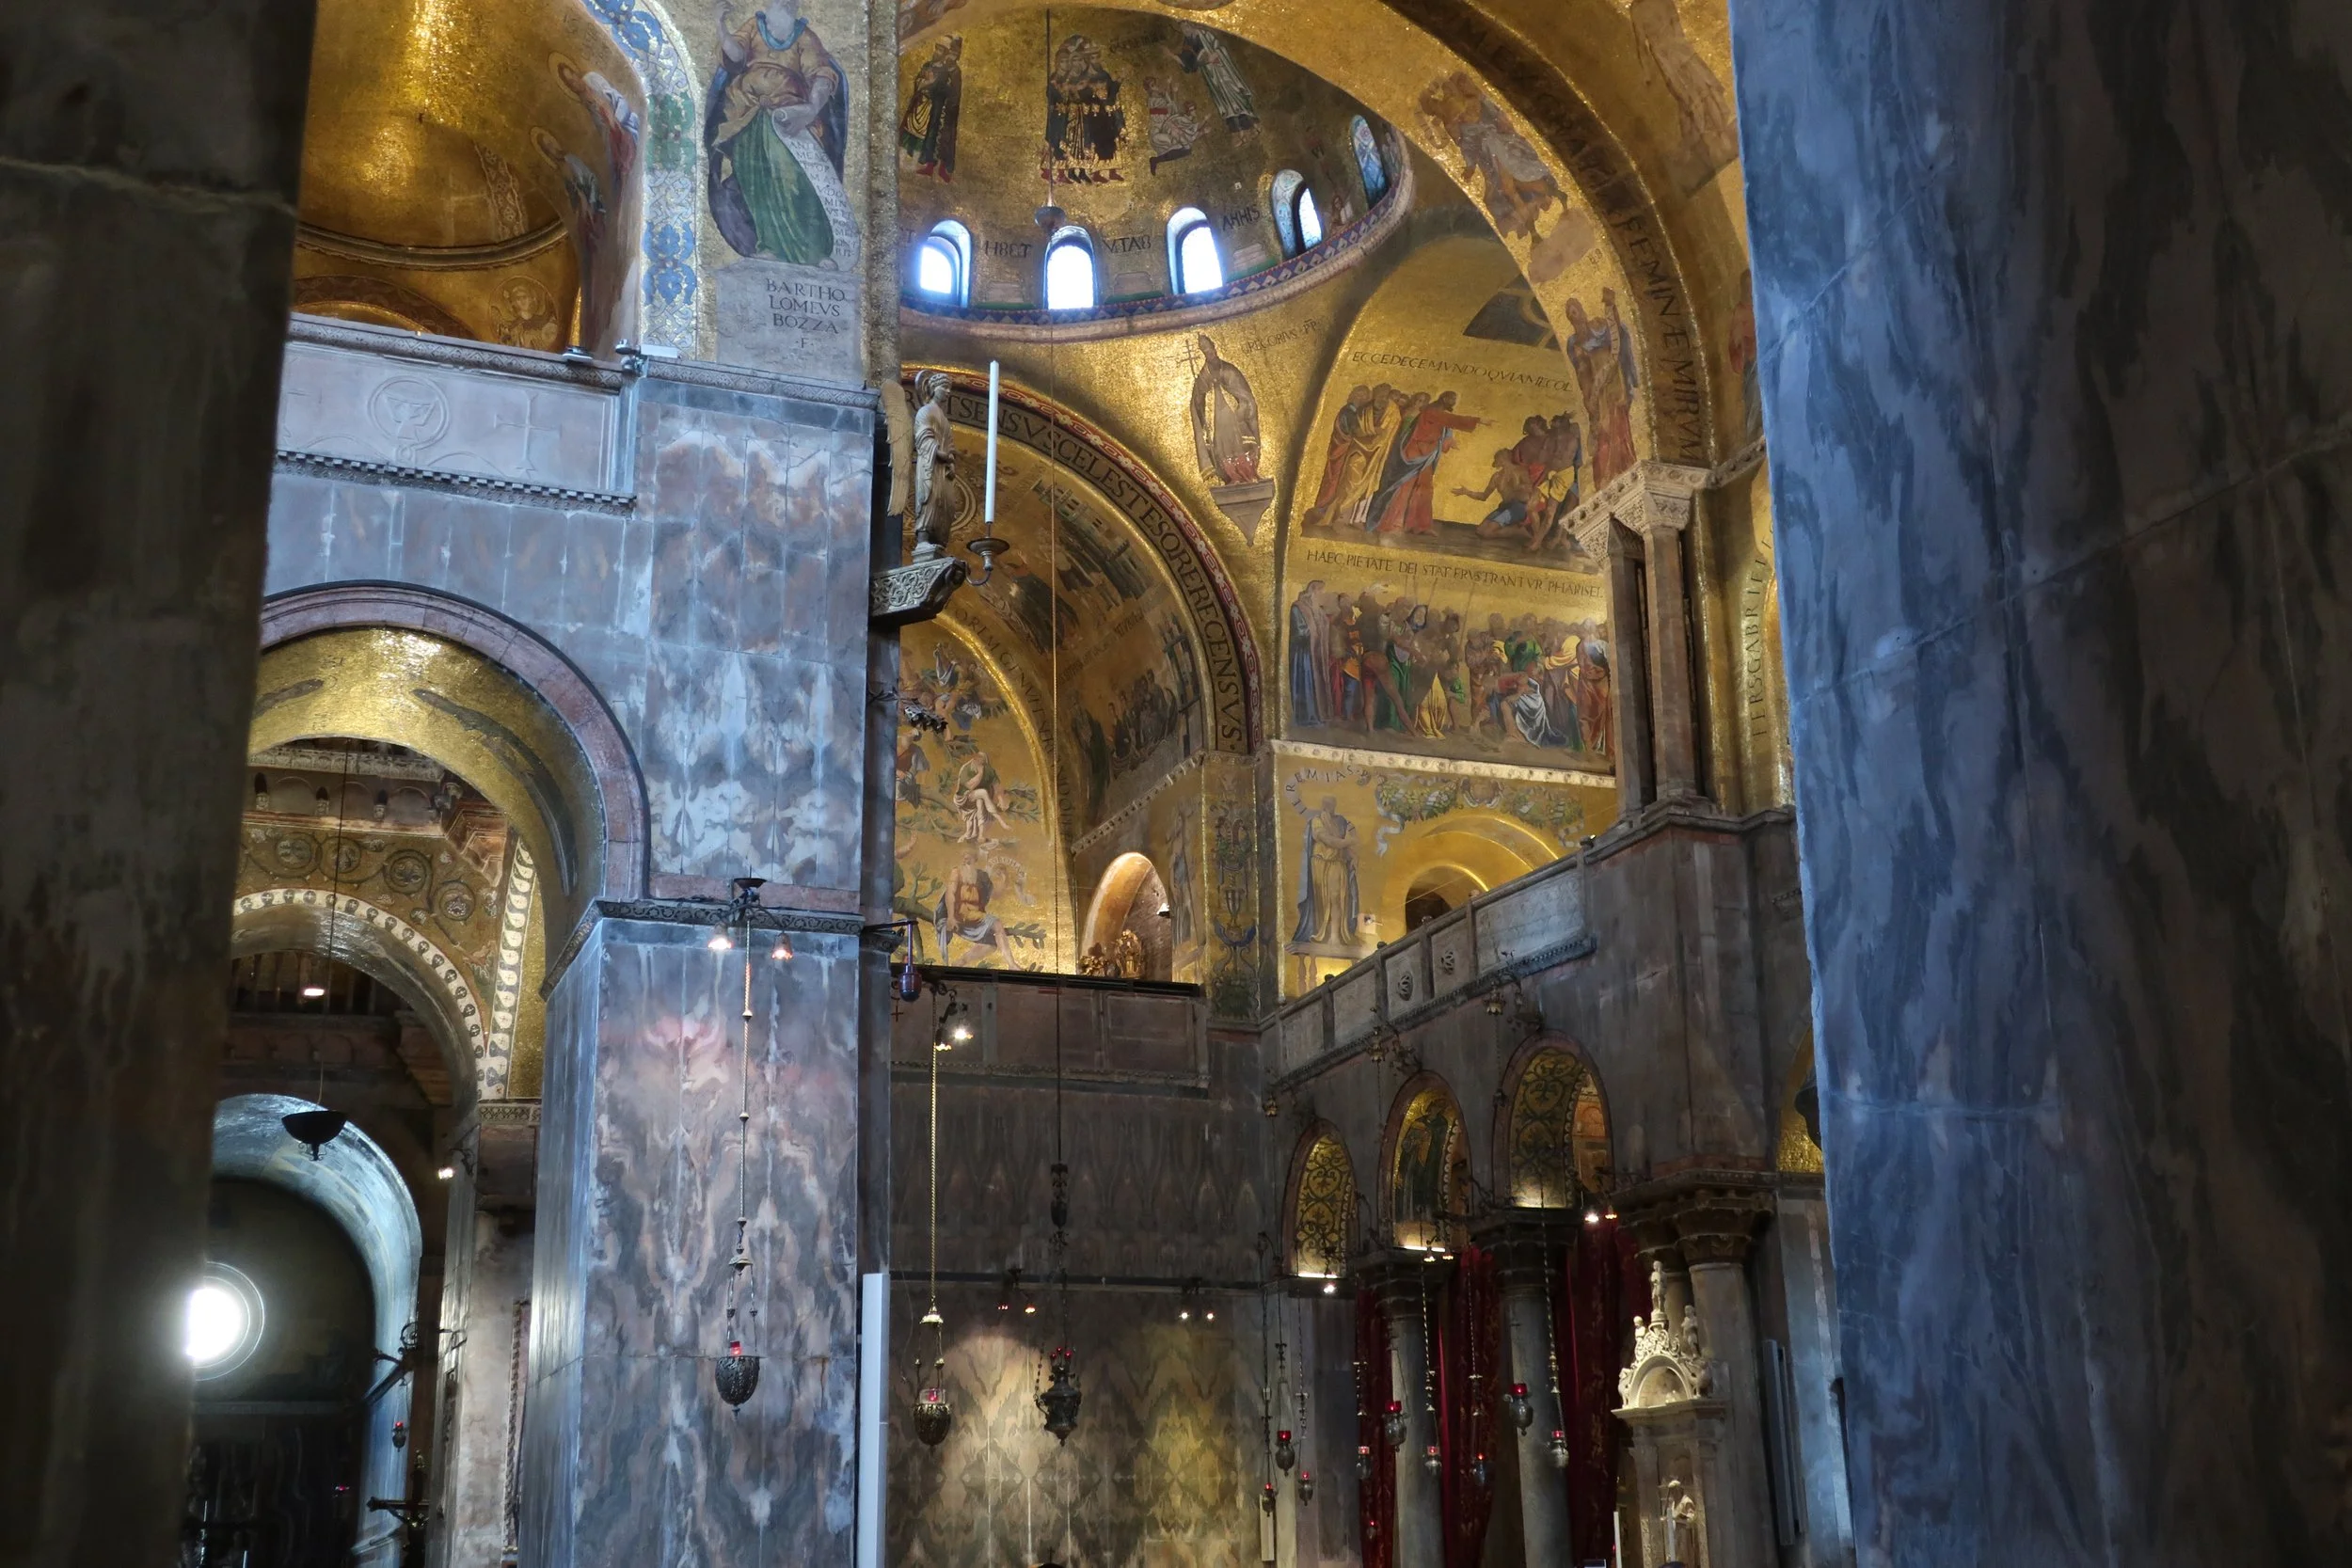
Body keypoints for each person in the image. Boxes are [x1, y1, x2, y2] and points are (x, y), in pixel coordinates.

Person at [1372, 391, 1483, 533]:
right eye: (1451, 399)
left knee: (1425, 489)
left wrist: (1448, 441)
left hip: (1427, 456)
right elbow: (1447, 423)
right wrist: (1479, 420)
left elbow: (1444, 432)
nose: (1453, 403)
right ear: (1444, 399)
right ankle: (1393, 522)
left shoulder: (1440, 414)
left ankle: (1420, 525)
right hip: (1416, 454)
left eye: (1455, 400)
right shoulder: (1431, 411)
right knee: (1405, 487)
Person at [1188, 335, 1263, 484]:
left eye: (1208, 347)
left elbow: (1245, 395)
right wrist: (1199, 396)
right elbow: (1198, 397)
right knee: (1222, 449)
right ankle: (1232, 477)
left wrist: (1242, 409)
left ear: (1214, 346)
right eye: (1204, 349)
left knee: (1242, 444)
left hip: (1234, 416)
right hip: (1218, 419)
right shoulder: (1204, 375)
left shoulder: (1229, 370)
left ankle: (1248, 475)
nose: (1208, 351)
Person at [897, 35, 961, 181]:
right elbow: (918, 81)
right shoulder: (928, 65)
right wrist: (924, 84)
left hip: (933, 109)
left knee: (928, 137)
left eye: (941, 50)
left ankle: (926, 164)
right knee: (910, 134)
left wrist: (934, 87)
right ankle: (904, 161)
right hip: (921, 105)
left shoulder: (949, 72)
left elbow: (949, 92)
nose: (937, 53)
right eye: (937, 49)